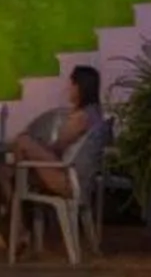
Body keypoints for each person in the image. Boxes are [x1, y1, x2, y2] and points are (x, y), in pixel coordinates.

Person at [9, 66, 103, 197]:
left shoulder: (81, 117)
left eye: (71, 84)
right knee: (6, 169)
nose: (68, 89)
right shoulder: (95, 113)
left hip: (69, 178)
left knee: (21, 141)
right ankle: (20, 190)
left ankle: (21, 199)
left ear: (79, 87)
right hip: (80, 177)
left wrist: (38, 147)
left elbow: (58, 148)